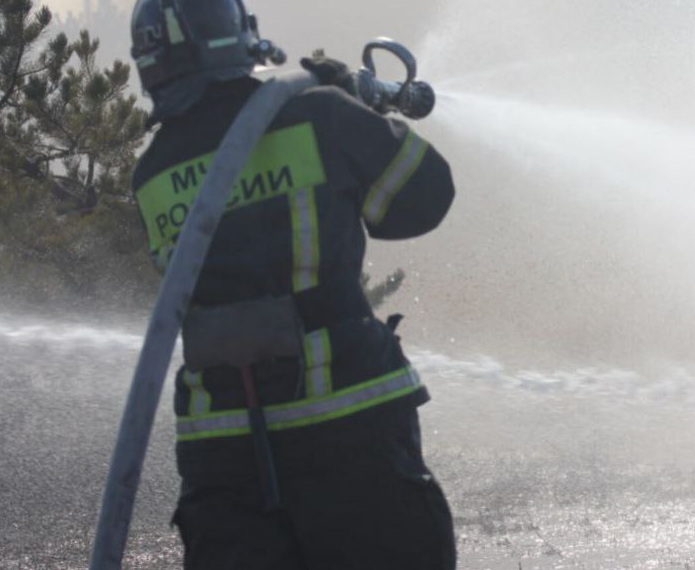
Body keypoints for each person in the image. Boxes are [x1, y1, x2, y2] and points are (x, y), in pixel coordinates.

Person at [129, 0, 457, 568]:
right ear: (236, 36)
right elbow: (424, 200)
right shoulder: (318, 115)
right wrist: (356, 108)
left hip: (223, 458)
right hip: (350, 432)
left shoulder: (151, 172)